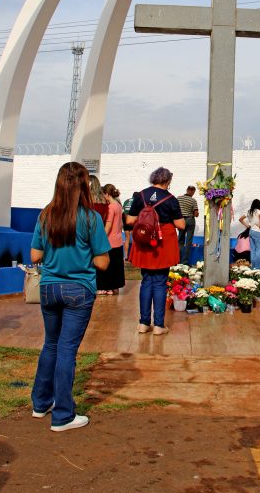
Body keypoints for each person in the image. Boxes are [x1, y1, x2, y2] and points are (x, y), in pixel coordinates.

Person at [30, 162, 110, 431]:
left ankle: (41, 403)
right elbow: (103, 262)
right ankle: (63, 415)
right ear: (84, 186)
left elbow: (35, 255)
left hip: (49, 288)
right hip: (79, 289)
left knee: (50, 344)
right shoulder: (90, 218)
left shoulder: (46, 215)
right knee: (66, 349)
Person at [127, 167, 185, 335]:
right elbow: (181, 225)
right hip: (163, 242)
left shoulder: (140, 195)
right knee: (160, 282)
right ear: (167, 181)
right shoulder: (171, 199)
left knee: (146, 281)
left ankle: (144, 323)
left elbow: (130, 220)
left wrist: (146, 219)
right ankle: (159, 325)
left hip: (144, 241)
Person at [100, 184, 126, 296]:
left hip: (110, 241)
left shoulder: (110, 207)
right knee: (116, 266)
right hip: (119, 239)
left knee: (109, 266)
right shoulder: (119, 205)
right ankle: (115, 287)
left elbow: (108, 224)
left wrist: (101, 237)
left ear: (107, 194)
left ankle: (108, 288)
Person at [177, 185, 199, 265]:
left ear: (187, 190)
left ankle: (178, 260)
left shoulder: (179, 198)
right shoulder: (193, 200)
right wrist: (196, 213)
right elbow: (196, 214)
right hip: (190, 220)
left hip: (181, 220)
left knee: (180, 241)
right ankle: (184, 262)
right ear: (193, 192)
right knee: (188, 242)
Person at [240, 199, 260, 269]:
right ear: (259, 205)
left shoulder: (249, 211)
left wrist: (247, 226)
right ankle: (258, 267)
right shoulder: (259, 211)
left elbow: (240, 219)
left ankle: (253, 267)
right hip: (257, 232)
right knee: (259, 250)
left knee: (253, 250)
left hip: (251, 232)